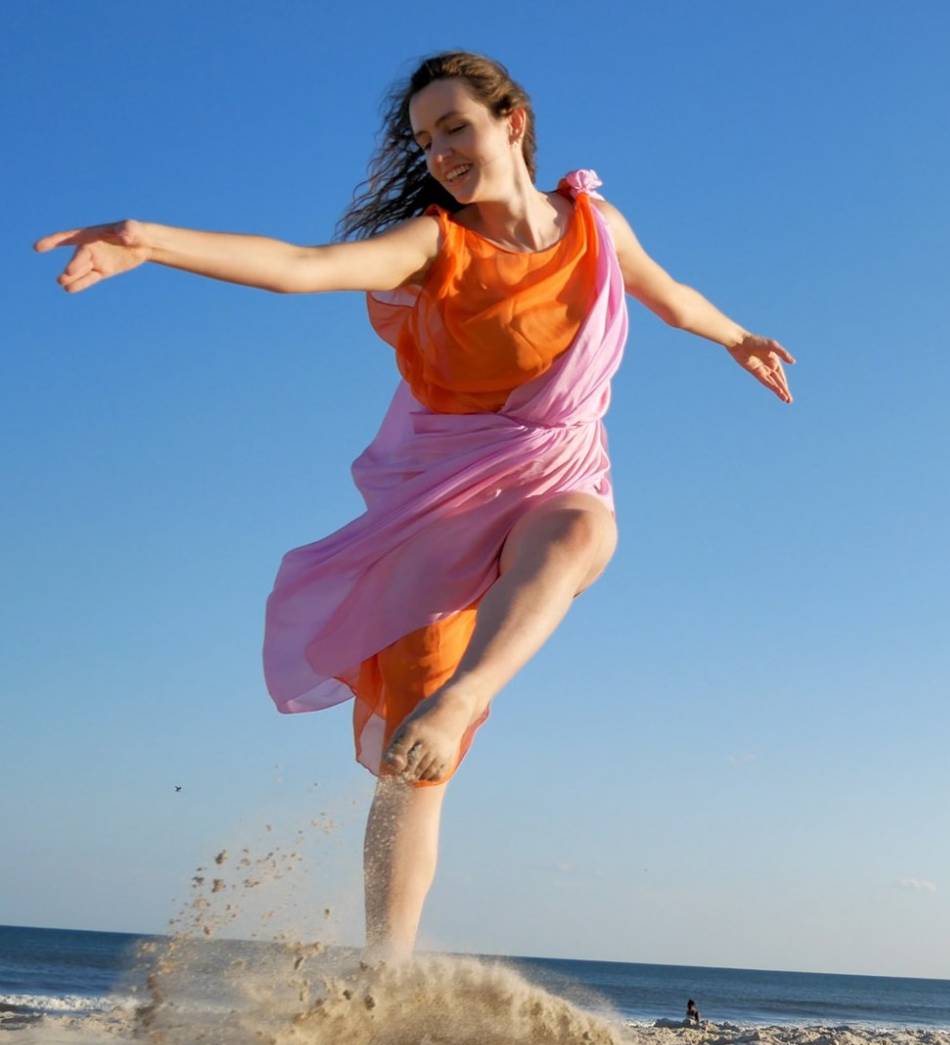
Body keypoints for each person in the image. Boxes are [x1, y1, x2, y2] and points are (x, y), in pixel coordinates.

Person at [36, 51, 794, 962]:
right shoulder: (438, 244)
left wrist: (739, 337)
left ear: (511, 121)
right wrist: (148, 238)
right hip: (437, 513)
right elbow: (300, 267)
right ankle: (384, 976)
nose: (439, 152)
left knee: (588, 528)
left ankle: (468, 692)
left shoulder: (596, 222)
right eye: (426, 140)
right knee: (412, 770)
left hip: (556, 474)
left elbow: (669, 298)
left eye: (455, 127)